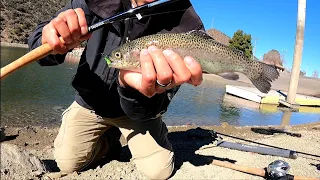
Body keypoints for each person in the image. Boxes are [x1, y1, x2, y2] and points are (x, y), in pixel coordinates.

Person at [28, 0, 205, 179]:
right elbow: (38, 42)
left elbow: (159, 103)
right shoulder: (94, 1)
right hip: (90, 102)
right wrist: (49, 40)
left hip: (139, 113)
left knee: (158, 172)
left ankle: (151, 131)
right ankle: (109, 141)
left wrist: (129, 87)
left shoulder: (185, 20)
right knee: (67, 164)